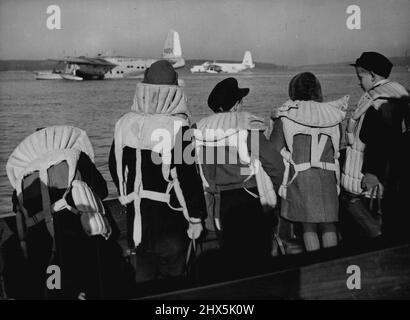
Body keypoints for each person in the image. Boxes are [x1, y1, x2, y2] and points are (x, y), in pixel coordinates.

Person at [109, 60, 206, 285]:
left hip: (138, 222)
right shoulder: (180, 129)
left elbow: (116, 168)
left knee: (144, 279)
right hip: (171, 221)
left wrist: (130, 198)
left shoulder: (123, 124)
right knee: (177, 284)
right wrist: (196, 218)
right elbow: (188, 178)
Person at [5, 125, 115, 299]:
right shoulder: (75, 158)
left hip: (43, 249)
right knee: (88, 286)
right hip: (77, 240)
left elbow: (18, 209)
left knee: (55, 290)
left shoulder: (23, 177)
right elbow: (102, 190)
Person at [193, 77, 284, 276]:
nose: (242, 105)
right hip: (247, 199)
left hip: (217, 203)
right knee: (258, 257)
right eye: (240, 101)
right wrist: (279, 189)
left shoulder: (199, 130)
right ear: (235, 105)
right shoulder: (246, 126)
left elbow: (201, 170)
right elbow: (273, 162)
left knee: (230, 259)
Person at [270, 72, 349, 252]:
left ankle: (315, 263)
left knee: (308, 225)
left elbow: (274, 148)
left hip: (300, 177)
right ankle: (332, 264)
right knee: (329, 223)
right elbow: (336, 148)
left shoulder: (286, 116)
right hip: (327, 176)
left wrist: (287, 155)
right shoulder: (333, 115)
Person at [340, 52, 409, 244]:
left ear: (372, 75)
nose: (359, 83)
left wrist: (372, 172)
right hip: (394, 178)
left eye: (360, 77)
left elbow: (377, 140)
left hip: (370, 181)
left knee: (368, 232)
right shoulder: (400, 95)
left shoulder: (375, 101)